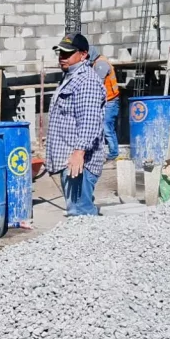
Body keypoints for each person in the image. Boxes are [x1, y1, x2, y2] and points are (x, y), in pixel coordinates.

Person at [46, 33, 106, 217]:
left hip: (79, 163)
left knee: (80, 216)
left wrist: (79, 153)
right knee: (80, 211)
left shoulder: (86, 81)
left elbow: (89, 121)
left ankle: (92, 245)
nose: (62, 58)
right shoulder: (71, 77)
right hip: (70, 160)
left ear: (83, 54)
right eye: (60, 53)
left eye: (67, 54)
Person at [90, 46, 121, 161]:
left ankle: (113, 153)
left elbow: (98, 84)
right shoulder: (98, 62)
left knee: (107, 128)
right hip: (108, 100)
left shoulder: (101, 64)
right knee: (104, 128)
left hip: (110, 101)